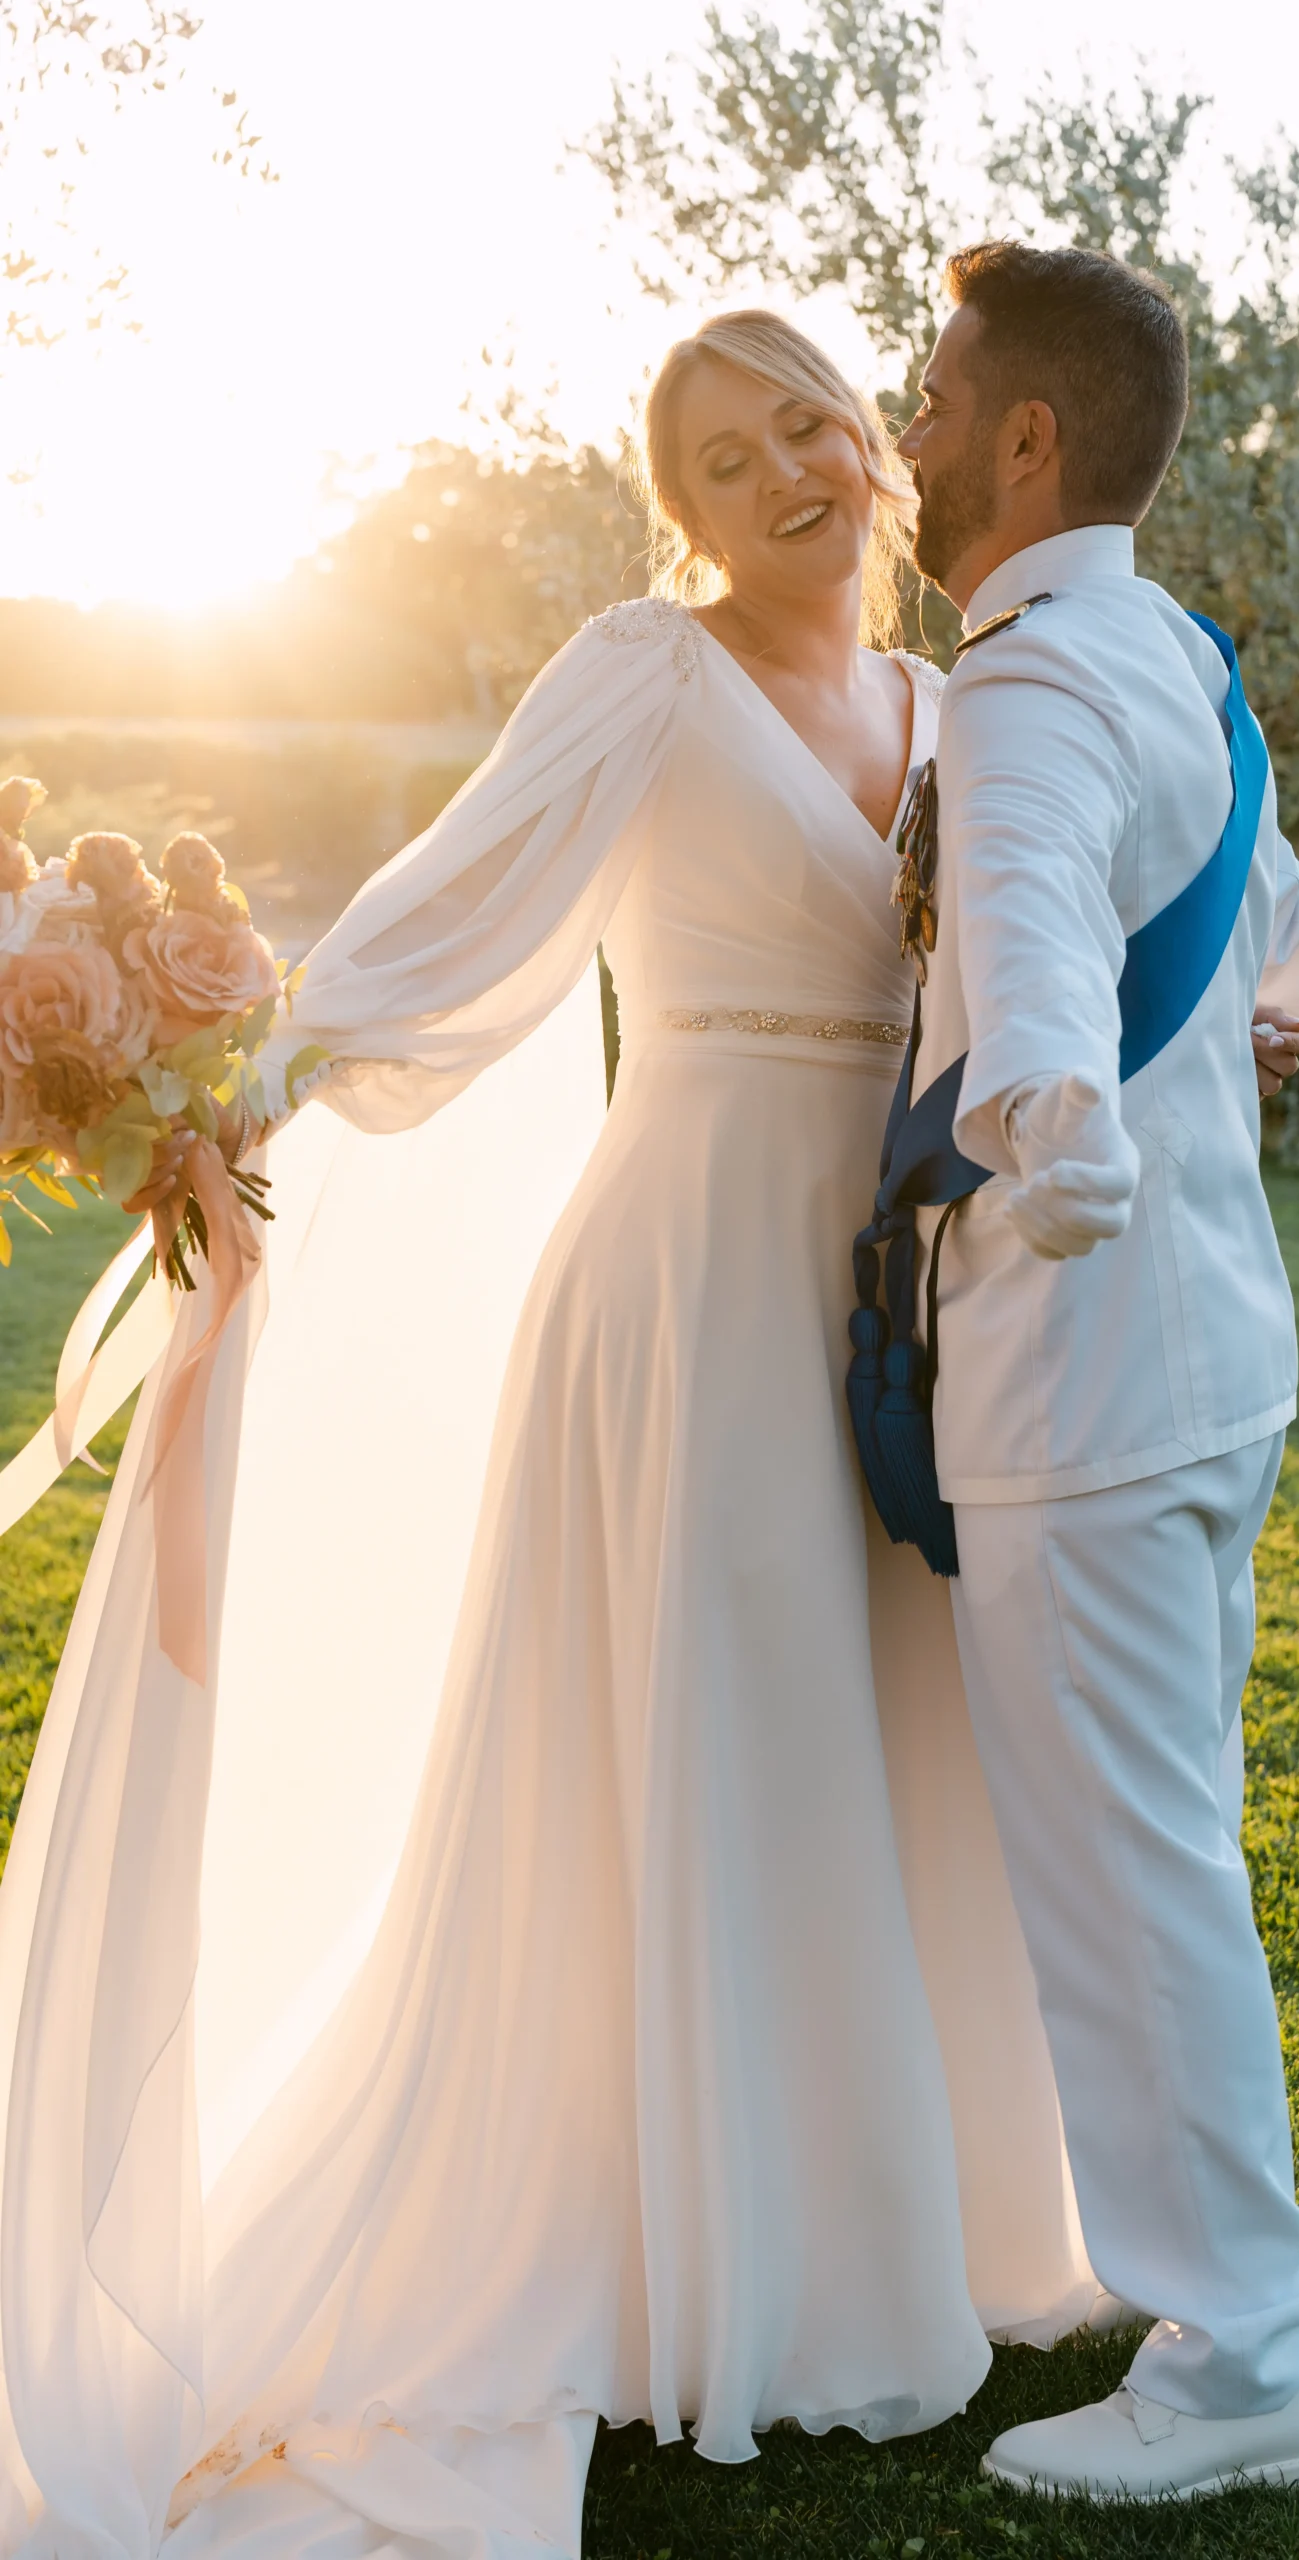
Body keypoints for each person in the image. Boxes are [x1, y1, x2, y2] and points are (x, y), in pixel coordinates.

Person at [0, 312, 1100, 2560]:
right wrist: (241, 1095)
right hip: (686, 1283)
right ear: (680, 516)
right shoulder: (640, 670)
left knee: (895, 1737)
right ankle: (727, 2270)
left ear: (877, 452)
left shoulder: (956, 697)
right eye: (721, 456)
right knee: (726, 1742)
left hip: (891, 1299)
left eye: (806, 420)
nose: (780, 468)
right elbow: (449, 915)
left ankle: (933, 2215)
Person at [886, 240, 1299, 2503]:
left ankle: (1242, 2352)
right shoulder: (1171, 648)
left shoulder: (1018, 683)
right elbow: (1277, 904)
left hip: (1086, 1374)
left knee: (1135, 1888)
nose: (911, 431)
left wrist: (1050, 1119)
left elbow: (1022, 943)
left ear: (1025, 437)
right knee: (1171, 1855)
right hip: (1212, 1371)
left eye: (930, 395)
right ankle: (1206, 2277)